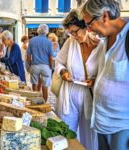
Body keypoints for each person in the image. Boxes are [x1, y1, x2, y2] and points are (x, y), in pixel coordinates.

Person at [81, 1, 129, 150]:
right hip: (102, 122)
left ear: (105, 16)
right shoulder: (104, 41)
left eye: (89, 24)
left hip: (122, 126)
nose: (89, 30)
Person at [55, 10, 104, 150]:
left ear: (86, 26)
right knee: (65, 134)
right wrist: (63, 71)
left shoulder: (101, 46)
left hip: (90, 96)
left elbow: (105, 73)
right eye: (70, 33)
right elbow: (58, 62)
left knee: (89, 137)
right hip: (69, 94)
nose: (74, 36)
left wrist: (95, 81)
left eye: (75, 31)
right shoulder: (70, 43)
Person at [26, 24, 53, 101]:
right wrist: (51, 66)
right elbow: (50, 56)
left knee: (34, 83)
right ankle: (44, 102)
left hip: (35, 65)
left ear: (38, 30)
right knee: (45, 86)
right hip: (45, 66)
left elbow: (28, 56)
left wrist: (30, 64)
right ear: (46, 32)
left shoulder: (32, 40)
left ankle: (35, 100)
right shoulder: (48, 42)